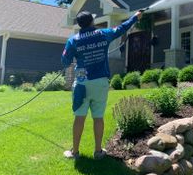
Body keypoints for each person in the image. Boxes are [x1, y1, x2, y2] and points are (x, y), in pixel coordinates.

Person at [61, 10, 142, 159]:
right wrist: (135, 18)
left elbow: (65, 61)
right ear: (92, 22)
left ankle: (75, 152)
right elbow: (122, 28)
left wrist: (76, 56)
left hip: (82, 83)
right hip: (100, 82)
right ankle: (98, 152)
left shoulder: (73, 40)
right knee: (98, 117)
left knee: (79, 117)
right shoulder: (103, 33)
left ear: (79, 25)